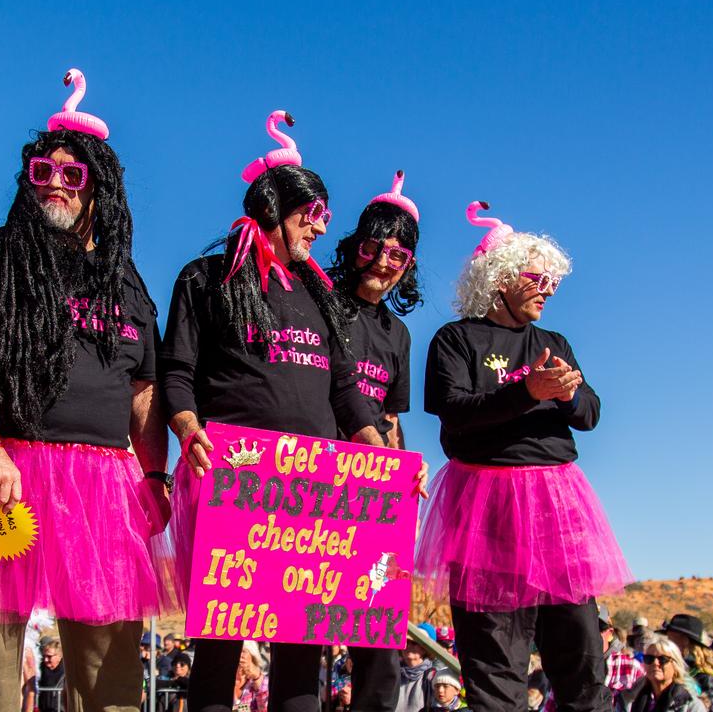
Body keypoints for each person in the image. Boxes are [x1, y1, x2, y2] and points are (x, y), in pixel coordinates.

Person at [0, 68, 170, 712]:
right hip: (4, 470)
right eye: (44, 172)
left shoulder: (126, 281)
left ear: (100, 188)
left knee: (111, 676)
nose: (57, 185)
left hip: (105, 486)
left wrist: (154, 477)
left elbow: (144, 390)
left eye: (73, 176)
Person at [163, 110, 394, 712]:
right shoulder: (207, 277)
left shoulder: (321, 296)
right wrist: (188, 429)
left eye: (325, 217)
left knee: (302, 648)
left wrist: (380, 452)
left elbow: (347, 392)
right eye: (310, 214)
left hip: (313, 484)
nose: (319, 228)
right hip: (234, 475)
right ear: (273, 206)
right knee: (220, 644)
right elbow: (177, 374)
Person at [415, 202, 632, 712]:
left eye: (554, 281)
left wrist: (565, 394)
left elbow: (590, 412)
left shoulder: (553, 342)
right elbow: (455, 412)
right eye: (538, 278)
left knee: (580, 655)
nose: (549, 290)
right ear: (503, 277)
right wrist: (527, 391)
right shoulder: (455, 339)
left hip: (556, 506)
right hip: (485, 507)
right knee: (494, 658)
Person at [327, 169, 424, 712]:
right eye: (377, 248)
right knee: (303, 633)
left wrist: (407, 465)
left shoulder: (398, 334)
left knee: (379, 638)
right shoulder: (318, 301)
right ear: (356, 247)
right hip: (307, 489)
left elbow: (390, 418)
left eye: (400, 257)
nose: (386, 263)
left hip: (373, 497)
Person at [662, 615, 713, 712]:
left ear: (685, 641)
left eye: (670, 640)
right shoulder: (675, 671)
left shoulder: (708, 678)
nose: (666, 644)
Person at [629, 635, 705, 712]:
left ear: (675, 666)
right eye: (649, 658)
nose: (655, 663)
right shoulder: (633, 698)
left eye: (663, 659)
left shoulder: (689, 705)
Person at [602, 606, 646, 712]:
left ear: (610, 633)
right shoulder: (567, 668)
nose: (591, 634)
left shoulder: (632, 668)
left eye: (599, 628)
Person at [396, 633, 437, 712]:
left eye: (414, 643)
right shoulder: (392, 671)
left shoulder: (432, 676)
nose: (408, 645)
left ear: (425, 649)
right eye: (406, 642)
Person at [234, 644, 269, 712]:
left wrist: (256, 677)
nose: (239, 655)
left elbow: (264, 709)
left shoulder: (261, 680)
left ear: (252, 656)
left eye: (243, 651)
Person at [37, 641, 65, 712]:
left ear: (59, 656)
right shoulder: (39, 669)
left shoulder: (67, 672)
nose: (45, 660)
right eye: (44, 656)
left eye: (49, 656)